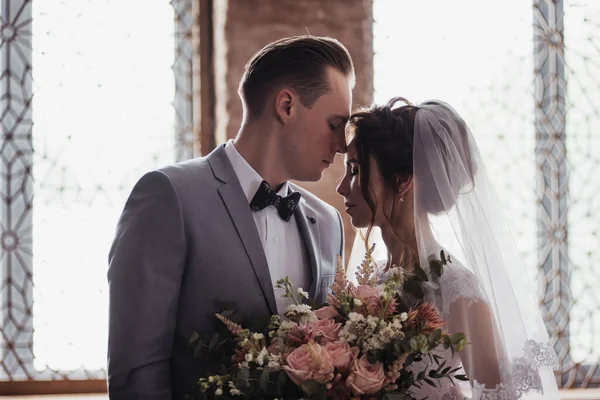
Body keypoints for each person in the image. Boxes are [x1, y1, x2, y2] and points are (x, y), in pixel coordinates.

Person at [107, 35, 355, 400]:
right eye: (335, 124)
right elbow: (137, 373)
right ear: (286, 105)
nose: (343, 144)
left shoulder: (328, 223)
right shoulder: (168, 196)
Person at [337, 97, 559, 399]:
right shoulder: (370, 280)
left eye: (355, 171)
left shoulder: (454, 287)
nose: (341, 187)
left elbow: (496, 394)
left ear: (402, 181)